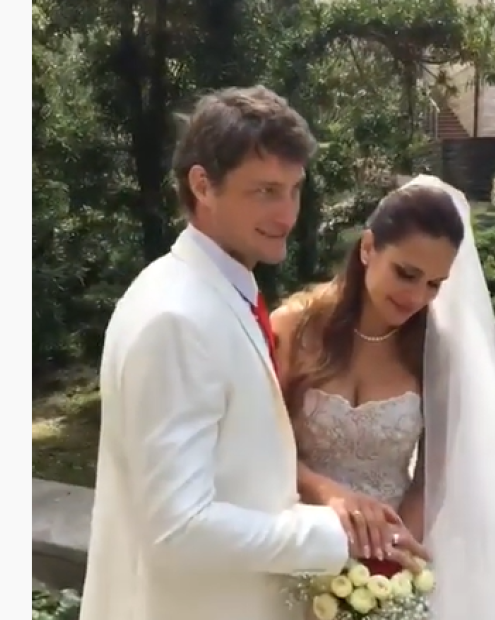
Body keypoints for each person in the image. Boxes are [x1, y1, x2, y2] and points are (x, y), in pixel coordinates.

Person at [77, 86, 427, 620]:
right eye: (265, 191)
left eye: (294, 190)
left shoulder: (216, 292)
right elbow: (177, 529)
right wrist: (336, 536)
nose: (286, 215)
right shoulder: (176, 317)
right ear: (202, 185)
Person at [272, 175, 495, 620]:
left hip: (388, 565)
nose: (416, 296)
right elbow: (258, 448)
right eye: (406, 274)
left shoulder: (438, 353)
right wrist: (325, 493)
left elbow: (431, 479)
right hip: (296, 543)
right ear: (368, 248)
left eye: (434, 284)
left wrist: (390, 564)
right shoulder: (292, 330)